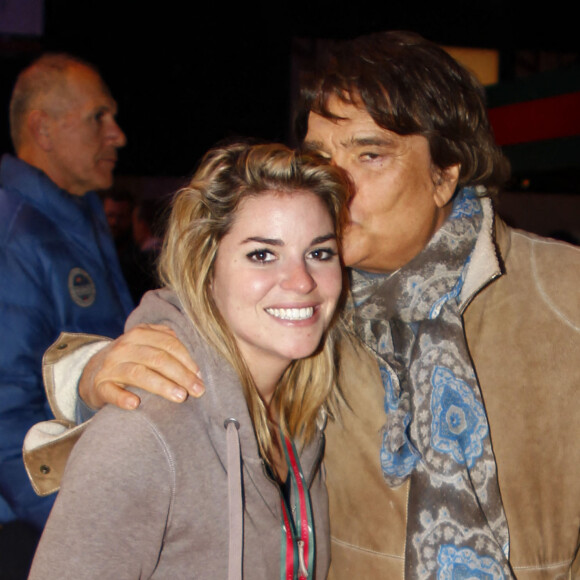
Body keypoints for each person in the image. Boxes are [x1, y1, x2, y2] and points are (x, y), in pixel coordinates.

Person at [24, 32, 580, 579]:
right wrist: (90, 371)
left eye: (370, 154)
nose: (335, 182)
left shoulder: (562, 293)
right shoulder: (314, 303)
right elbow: (201, 312)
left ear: (445, 173)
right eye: (321, 156)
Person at [28, 142, 349, 579]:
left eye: (319, 252)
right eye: (262, 255)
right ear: (206, 267)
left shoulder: (304, 418)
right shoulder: (144, 432)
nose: (301, 281)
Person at [0, 52, 133, 552]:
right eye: (99, 117)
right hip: (29, 525)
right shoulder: (14, 234)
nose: (117, 134)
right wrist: (78, 532)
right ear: (43, 128)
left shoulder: (73, 219)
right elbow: (5, 409)